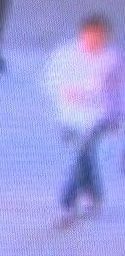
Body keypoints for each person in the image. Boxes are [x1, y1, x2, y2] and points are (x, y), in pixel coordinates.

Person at [44, 13, 123, 228]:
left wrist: (117, 115)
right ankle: (94, 194)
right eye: (91, 35)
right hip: (71, 115)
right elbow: (52, 80)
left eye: (100, 36)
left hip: (99, 116)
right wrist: (66, 94)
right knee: (86, 156)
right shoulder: (66, 55)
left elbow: (119, 91)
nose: (95, 40)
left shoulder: (113, 59)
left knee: (81, 154)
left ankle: (67, 203)